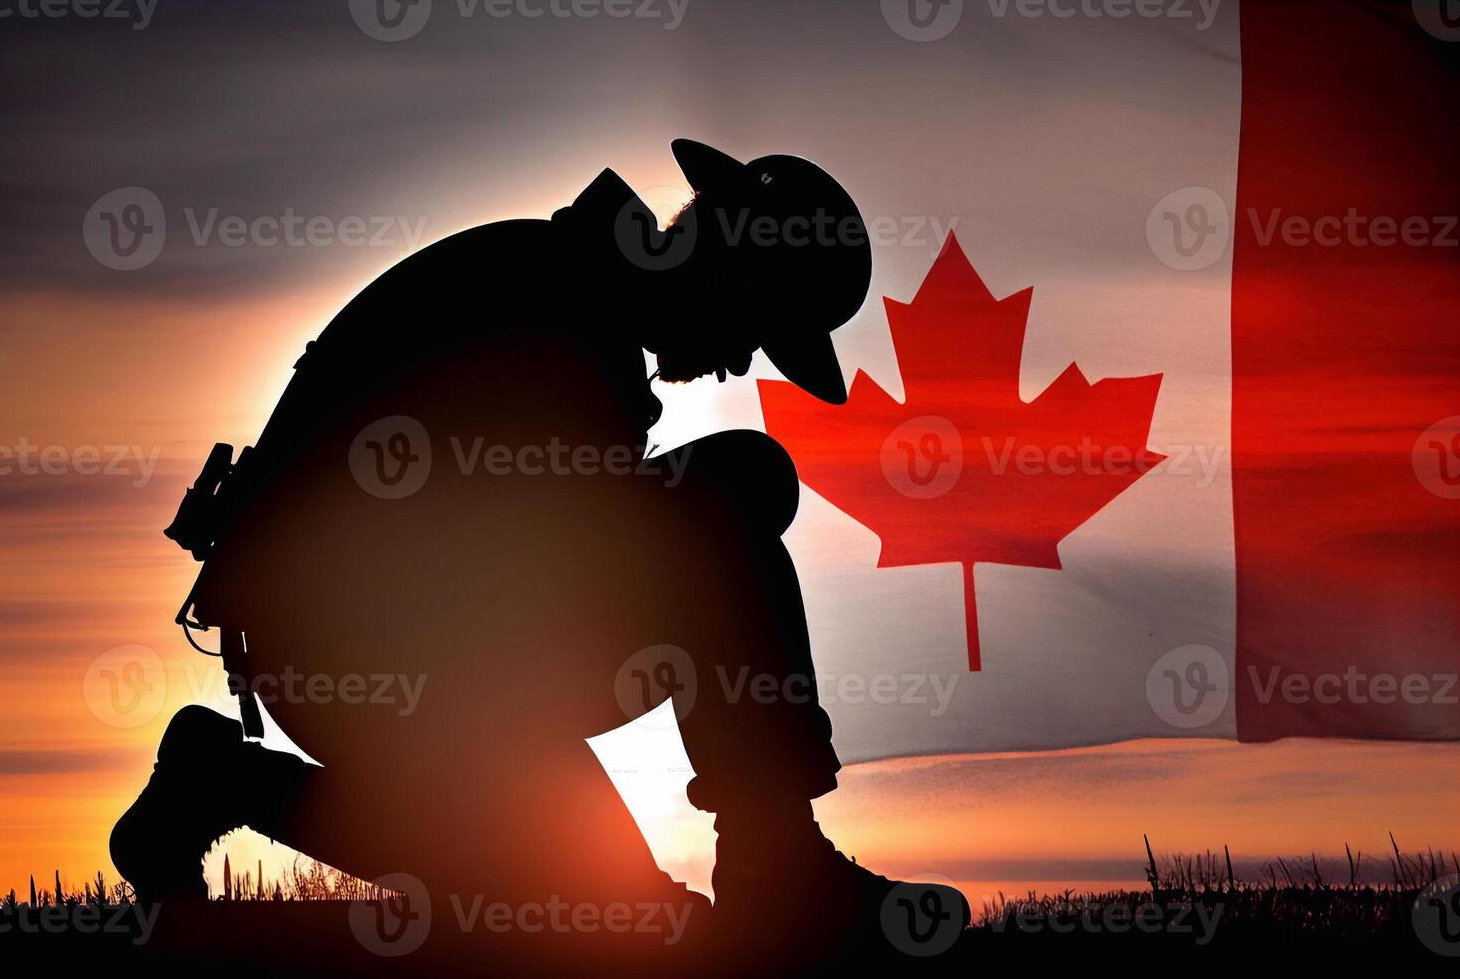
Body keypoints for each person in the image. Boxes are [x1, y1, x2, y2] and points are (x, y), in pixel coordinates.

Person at [111, 139, 968, 954]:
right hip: (361, 652)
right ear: (729, 266)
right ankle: (779, 871)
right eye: (756, 327)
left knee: (611, 916)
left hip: (422, 654)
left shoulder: (569, 294)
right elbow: (562, 576)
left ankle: (217, 783)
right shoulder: (552, 308)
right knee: (736, 489)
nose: (742, 362)